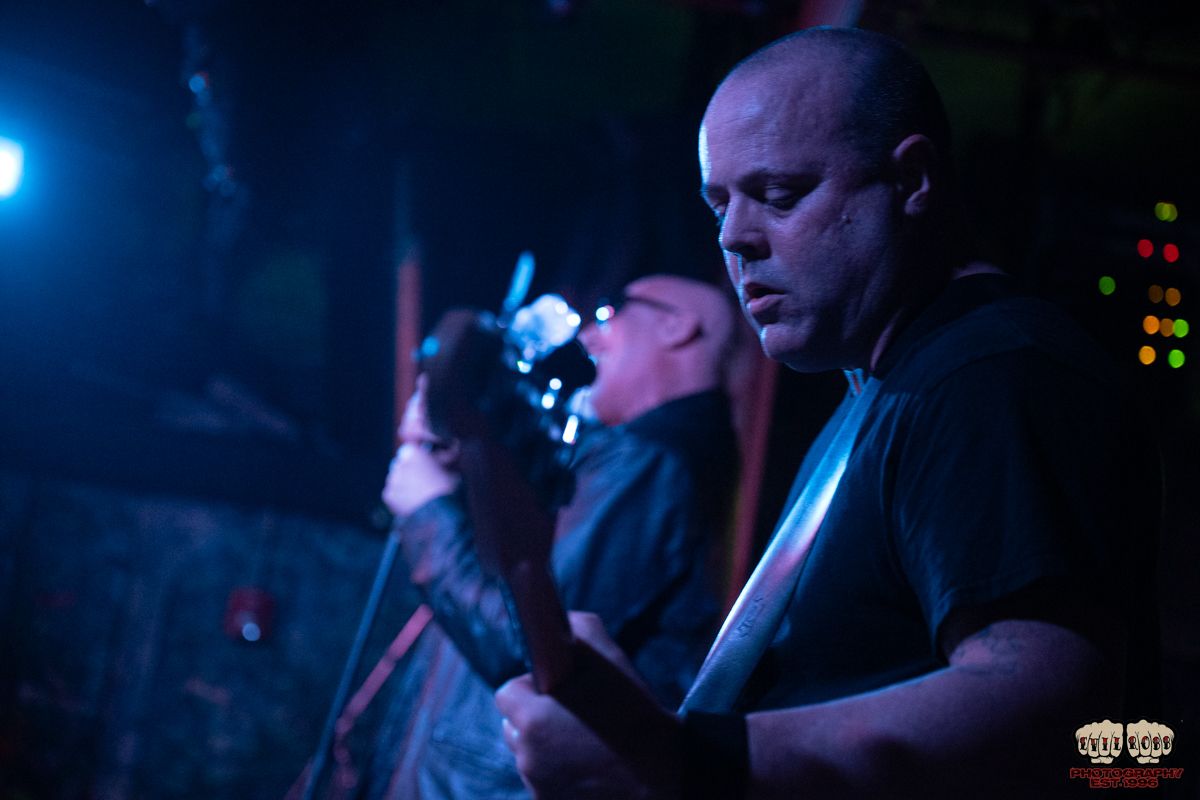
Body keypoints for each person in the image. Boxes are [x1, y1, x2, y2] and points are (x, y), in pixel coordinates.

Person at [494, 26, 1160, 799]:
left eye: (780, 195)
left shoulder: (992, 373)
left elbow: (1070, 716)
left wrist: (683, 762)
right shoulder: (884, 388)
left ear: (912, 179)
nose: (734, 237)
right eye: (719, 204)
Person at [362, 274, 745, 799]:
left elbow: (528, 640)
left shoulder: (651, 463)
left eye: (611, 313)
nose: (588, 336)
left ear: (676, 326)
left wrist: (428, 510)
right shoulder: (641, 461)